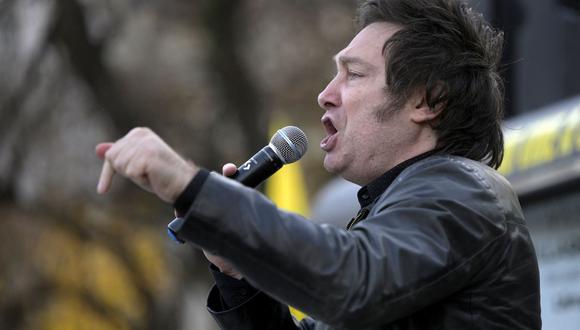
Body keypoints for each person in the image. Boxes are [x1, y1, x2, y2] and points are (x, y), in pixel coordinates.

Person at [95, 0, 541, 328]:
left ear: (427, 99)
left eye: (354, 74)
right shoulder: (399, 217)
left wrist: (192, 187)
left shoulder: (463, 194)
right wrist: (237, 271)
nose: (325, 94)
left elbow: (351, 279)